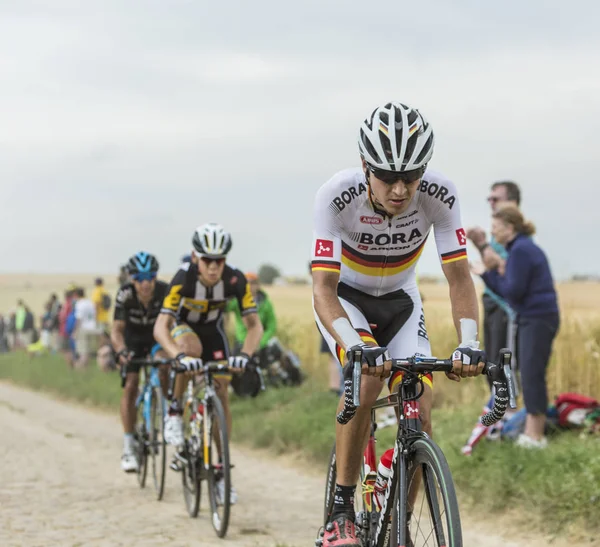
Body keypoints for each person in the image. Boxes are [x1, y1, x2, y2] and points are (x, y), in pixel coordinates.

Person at [311, 101, 486, 546]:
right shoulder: (336, 195)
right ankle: (341, 509)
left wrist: (470, 342)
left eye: (412, 175)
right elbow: (323, 289)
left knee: (420, 408)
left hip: (402, 302)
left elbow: (459, 278)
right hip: (346, 299)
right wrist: (354, 346)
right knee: (368, 381)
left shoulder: (440, 195)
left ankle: (397, 522)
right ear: (366, 166)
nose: (401, 188)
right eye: (388, 177)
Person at [153, 223, 263, 504]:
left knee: (222, 388)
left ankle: (222, 469)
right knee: (191, 349)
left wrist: (246, 356)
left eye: (219, 261)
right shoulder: (183, 278)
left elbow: (254, 326)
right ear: (195, 257)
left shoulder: (235, 280)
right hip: (183, 329)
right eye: (207, 261)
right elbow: (160, 326)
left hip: (213, 333)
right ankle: (175, 412)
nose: (213, 267)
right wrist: (176, 355)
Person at [473, 205, 559, 449]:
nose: (494, 234)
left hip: (537, 318)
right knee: (529, 372)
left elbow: (512, 292)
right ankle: (532, 433)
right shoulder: (520, 248)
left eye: (496, 228)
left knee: (532, 374)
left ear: (509, 228)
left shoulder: (521, 250)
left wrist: (485, 274)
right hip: (533, 318)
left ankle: (535, 436)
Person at [110, 252, 169, 472]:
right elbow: (116, 331)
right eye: (140, 278)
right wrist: (121, 350)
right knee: (131, 384)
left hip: (157, 338)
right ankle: (128, 445)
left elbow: (173, 325)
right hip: (132, 340)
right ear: (132, 279)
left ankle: (164, 413)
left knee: (164, 366)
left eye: (150, 277)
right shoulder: (124, 294)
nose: (145, 283)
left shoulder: (165, 292)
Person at [467, 181, 521, 375]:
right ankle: (497, 405)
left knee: (502, 365)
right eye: (489, 199)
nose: (491, 203)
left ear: (512, 203)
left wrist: (481, 244)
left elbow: (506, 269)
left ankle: (506, 406)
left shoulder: (516, 235)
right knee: (490, 362)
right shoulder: (499, 231)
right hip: (492, 300)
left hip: (506, 306)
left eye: (496, 199)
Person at [227, 272, 277, 355]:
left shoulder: (266, 304)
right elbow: (225, 308)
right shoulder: (237, 301)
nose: (249, 286)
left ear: (258, 285)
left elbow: (272, 326)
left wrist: (261, 342)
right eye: (246, 283)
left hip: (260, 345)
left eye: (252, 283)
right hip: (241, 343)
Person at [71, 288, 97, 369]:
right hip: (93, 328)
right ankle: (86, 370)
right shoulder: (90, 302)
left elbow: (79, 319)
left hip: (83, 329)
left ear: (76, 295)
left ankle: (79, 370)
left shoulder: (79, 304)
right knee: (88, 352)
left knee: (83, 352)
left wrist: (75, 331)